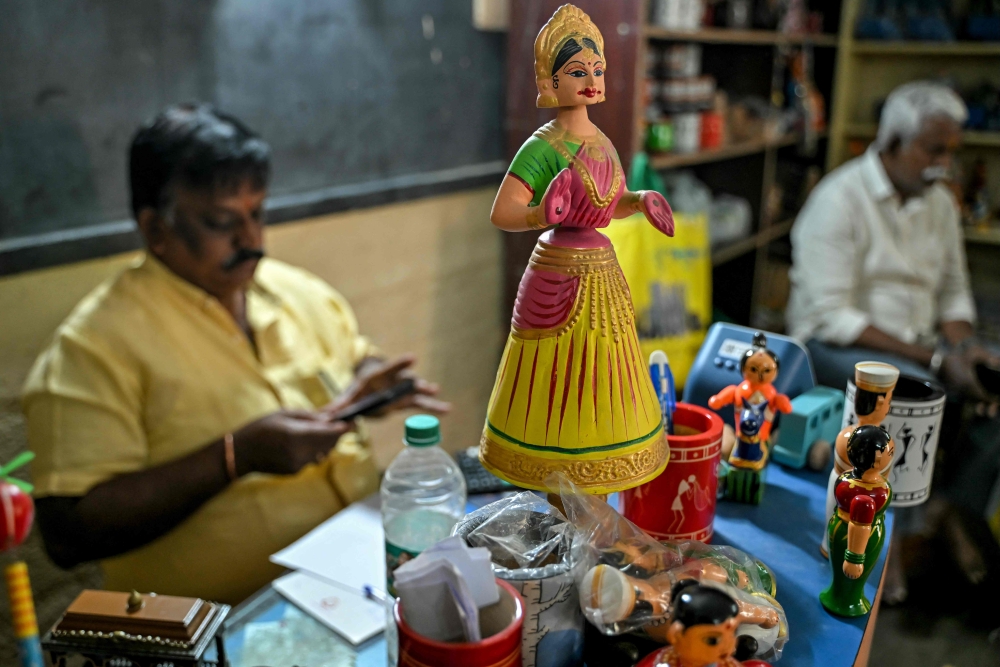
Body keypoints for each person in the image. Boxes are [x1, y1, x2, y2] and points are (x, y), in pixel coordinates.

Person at [22, 104, 449, 604]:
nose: (251, 240)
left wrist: (371, 384)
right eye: (222, 221)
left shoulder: (297, 293)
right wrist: (235, 457)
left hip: (357, 579)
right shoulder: (93, 347)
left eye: (257, 213)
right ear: (156, 230)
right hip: (221, 621)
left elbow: (354, 358)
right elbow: (69, 533)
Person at [787, 81, 998, 396]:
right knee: (923, 393)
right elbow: (831, 318)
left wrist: (967, 347)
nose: (945, 166)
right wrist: (937, 361)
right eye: (935, 151)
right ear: (894, 142)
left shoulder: (941, 204)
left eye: (952, 152)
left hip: (918, 347)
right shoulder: (838, 199)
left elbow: (953, 291)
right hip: (831, 347)